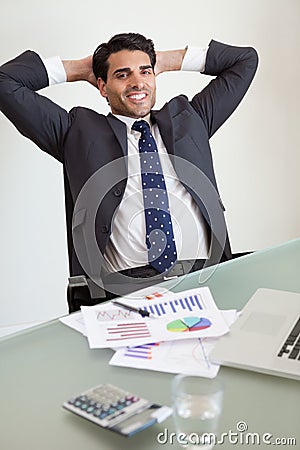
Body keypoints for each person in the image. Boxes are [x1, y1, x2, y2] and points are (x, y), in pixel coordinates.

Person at [0, 33, 258, 312]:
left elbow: (244, 60)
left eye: (145, 72)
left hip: (204, 279)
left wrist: (166, 61)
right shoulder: (76, 132)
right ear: (102, 86)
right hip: (123, 292)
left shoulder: (189, 119)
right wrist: (78, 69)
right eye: (122, 75)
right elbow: (5, 82)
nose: (137, 82)